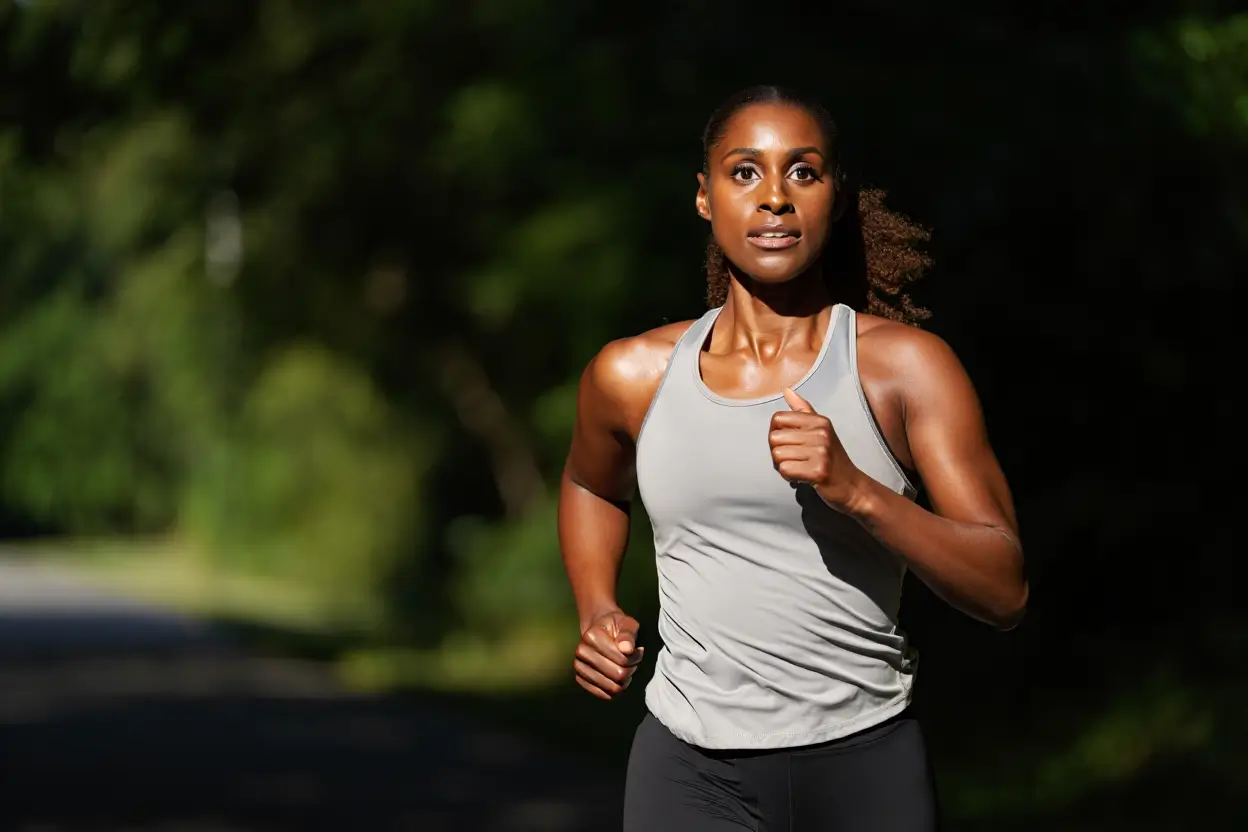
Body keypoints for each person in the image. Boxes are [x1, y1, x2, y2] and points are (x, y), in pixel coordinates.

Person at [558, 84, 1027, 831]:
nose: (774, 196)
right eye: (745, 171)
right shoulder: (634, 375)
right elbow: (590, 484)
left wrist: (858, 491)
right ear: (705, 196)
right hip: (688, 768)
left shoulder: (903, 369)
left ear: (836, 198)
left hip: (863, 766)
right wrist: (598, 607)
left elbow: (1004, 590)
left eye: (802, 172)